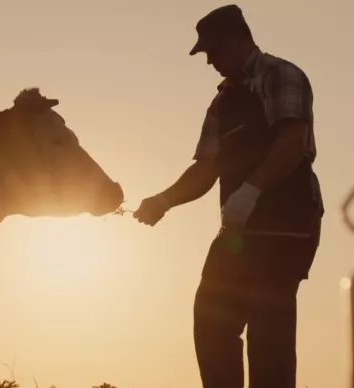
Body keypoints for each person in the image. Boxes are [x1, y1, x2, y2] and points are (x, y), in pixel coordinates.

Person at [133, 4, 324, 388]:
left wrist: (251, 191)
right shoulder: (222, 102)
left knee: (269, 336)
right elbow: (206, 168)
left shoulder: (282, 75)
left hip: (286, 227)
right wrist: (163, 200)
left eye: (214, 51)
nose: (209, 62)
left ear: (238, 41)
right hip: (239, 230)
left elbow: (292, 142)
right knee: (211, 320)